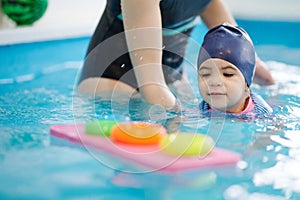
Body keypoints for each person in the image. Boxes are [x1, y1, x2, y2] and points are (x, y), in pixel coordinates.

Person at [77, 0, 275, 108]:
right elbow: (152, 87)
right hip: (111, 84)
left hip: (170, 81)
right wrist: (189, 120)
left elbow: (242, 54)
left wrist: (274, 92)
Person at [198, 23, 273, 117]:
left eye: (227, 74)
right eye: (205, 74)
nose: (214, 82)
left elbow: (276, 128)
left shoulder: (260, 111)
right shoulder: (203, 107)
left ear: (246, 84)